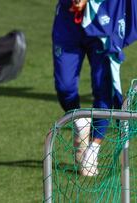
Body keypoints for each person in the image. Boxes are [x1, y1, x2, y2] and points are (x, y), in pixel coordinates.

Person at [52, 0, 134, 176]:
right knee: (64, 86)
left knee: (103, 86)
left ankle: (93, 148)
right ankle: (80, 121)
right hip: (69, 19)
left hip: (105, 13)